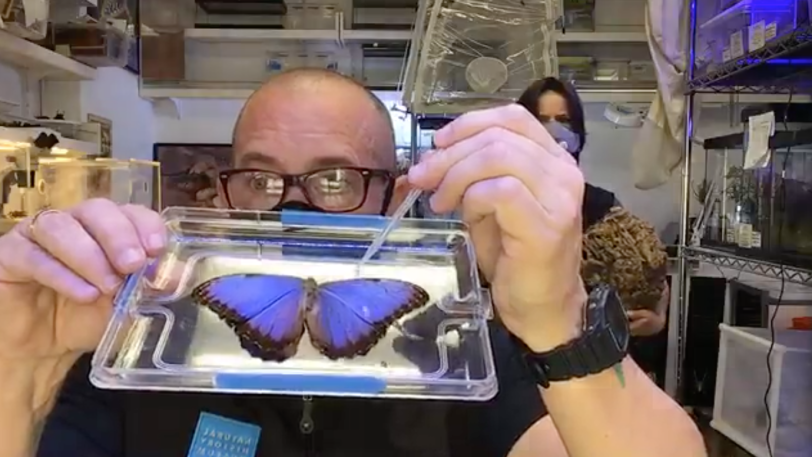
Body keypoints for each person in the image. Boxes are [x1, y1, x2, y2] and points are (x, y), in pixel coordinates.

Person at [0, 69, 704, 457]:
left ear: (395, 197)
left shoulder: (459, 346)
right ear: (223, 192)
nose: (292, 207)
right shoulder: (144, 345)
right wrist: (19, 364)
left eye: (335, 178)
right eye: (261, 177)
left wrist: (557, 319)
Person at [517, 77, 671, 380]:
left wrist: (658, 318)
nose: (553, 130)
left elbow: (651, 273)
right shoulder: (503, 201)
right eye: (540, 121)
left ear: (578, 134)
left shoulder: (602, 205)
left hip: (592, 362)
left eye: (563, 120)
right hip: (522, 363)